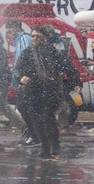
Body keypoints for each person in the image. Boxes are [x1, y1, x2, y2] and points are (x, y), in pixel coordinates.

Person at [15, 24, 77, 159]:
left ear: (44, 38)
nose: (35, 38)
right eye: (33, 36)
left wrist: (72, 84)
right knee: (36, 120)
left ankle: (54, 145)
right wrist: (21, 78)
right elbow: (18, 69)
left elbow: (68, 68)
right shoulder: (27, 52)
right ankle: (44, 145)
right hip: (33, 91)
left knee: (48, 118)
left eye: (38, 36)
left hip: (50, 91)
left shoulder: (52, 52)